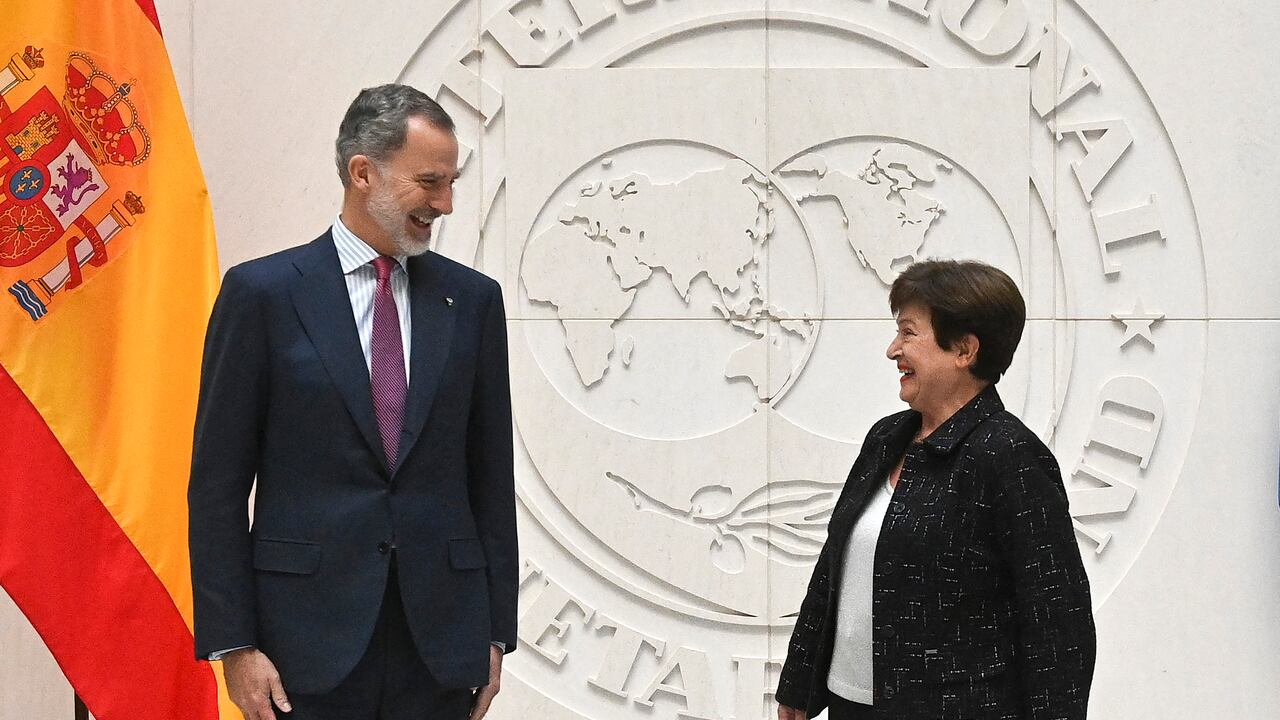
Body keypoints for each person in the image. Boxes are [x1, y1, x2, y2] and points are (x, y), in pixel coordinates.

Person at [188, 84, 516, 720]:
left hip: (442, 647)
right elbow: (217, 486)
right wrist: (235, 644)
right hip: (300, 650)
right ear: (363, 172)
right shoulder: (262, 295)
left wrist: (496, 630)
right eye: (430, 182)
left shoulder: (473, 301)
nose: (446, 204)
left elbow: (490, 476)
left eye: (452, 182)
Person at [776, 259, 1095, 720]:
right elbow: (831, 573)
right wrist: (797, 695)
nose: (893, 349)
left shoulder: (1010, 456)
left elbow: (1057, 626)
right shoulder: (886, 439)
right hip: (851, 707)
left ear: (964, 349)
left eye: (909, 333)